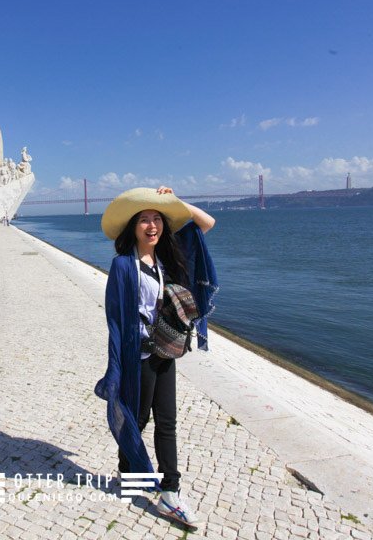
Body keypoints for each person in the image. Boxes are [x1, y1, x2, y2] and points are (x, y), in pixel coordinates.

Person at [95, 186, 217, 529]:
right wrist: (117, 365)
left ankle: (170, 491)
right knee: (139, 418)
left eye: (157, 219)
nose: (152, 226)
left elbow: (207, 223)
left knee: (168, 422)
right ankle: (129, 473)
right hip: (139, 356)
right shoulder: (123, 266)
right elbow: (115, 319)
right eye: (145, 220)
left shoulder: (167, 257)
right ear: (133, 227)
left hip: (165, 350)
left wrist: (175, 202)